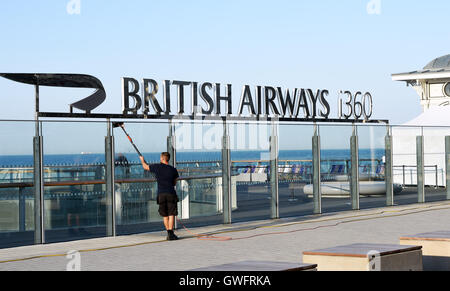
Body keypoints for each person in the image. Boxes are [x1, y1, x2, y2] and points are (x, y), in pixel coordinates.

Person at [139, 152, 180, 241]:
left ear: (162, 158)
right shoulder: (173, 170)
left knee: (165, 215)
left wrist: (142, 160)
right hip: (171, 193)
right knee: (171, 214)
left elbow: (145, 167)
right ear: (168, 159)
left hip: (161, 194)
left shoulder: (157, 167)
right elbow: (175, 181)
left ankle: (169, 234)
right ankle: (171, 233)